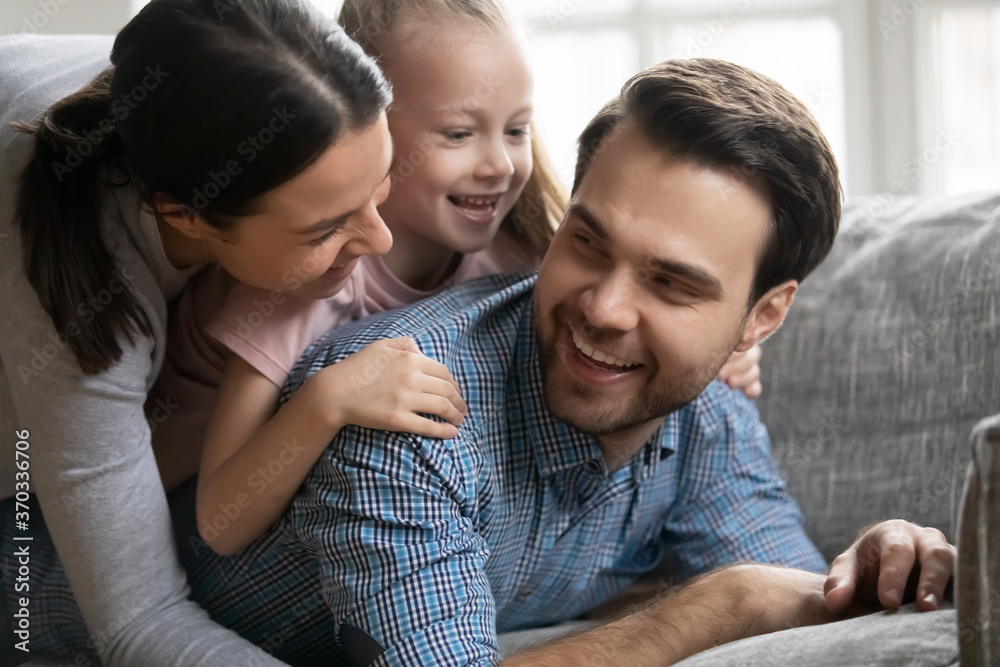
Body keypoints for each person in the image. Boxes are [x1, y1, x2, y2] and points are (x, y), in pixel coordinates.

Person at [2, 55, 956, 667]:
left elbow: (791, 595)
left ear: (762, 317)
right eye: (587, 242)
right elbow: (745, 596)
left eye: (673, 283)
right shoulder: (404, 411)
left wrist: (873, 566)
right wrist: (717, 604)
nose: (604, 309)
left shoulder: (706, 414)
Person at [147, 0, 764, 558]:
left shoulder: (515, 252)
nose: (498, 164)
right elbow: (219, 520)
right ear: (368, 133)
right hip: (165, 504)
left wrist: (724, 354)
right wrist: (325, 402)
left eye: (517, 129)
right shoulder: (307, 277)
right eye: (459, 134)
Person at [0, 0, 401, 664]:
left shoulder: (203, 103)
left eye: (380, 185)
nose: (382, 239)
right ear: (186, 215)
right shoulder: (73, 295)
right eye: (325, 230)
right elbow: (137, 618)